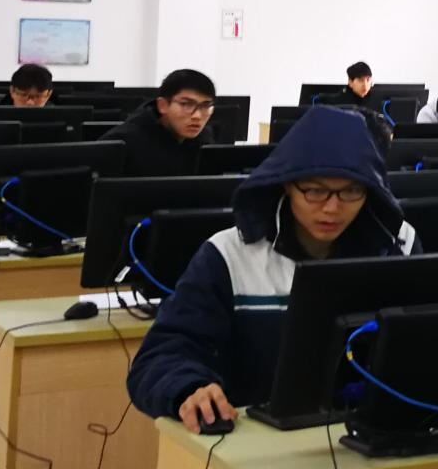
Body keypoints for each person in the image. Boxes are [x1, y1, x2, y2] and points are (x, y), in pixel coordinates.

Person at [126, 104, 416, 432]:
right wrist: (188, 387)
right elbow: (160, 355)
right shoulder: (230, 254)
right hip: (255, 442)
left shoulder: (399, 245)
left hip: (374, 437)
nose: (332, 208)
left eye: (351, 191)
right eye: (315, 190)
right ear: (287, 185)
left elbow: (424, 342)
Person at [102, 69, 218, 177]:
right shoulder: (124, 141)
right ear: (162, 105)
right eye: (186, 104)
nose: (197, 116)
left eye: (205, 106)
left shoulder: (204, 138)